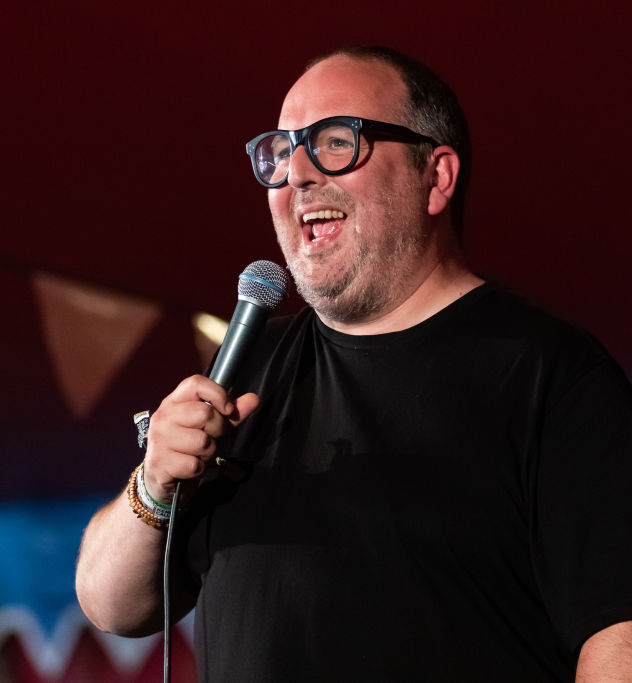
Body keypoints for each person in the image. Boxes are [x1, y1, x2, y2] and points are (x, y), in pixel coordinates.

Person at [74, 46, 632, 681]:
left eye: (336, 142)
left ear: (437, 177)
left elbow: (618, 634)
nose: (298, 174)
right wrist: (154, 484)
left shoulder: (551, 374)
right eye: (281, 153)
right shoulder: (247, 368)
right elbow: (109, 603)